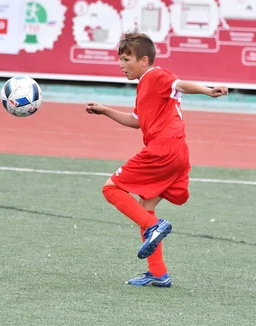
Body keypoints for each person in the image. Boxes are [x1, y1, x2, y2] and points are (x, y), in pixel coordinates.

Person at [85, 31, 228, 287]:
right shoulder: (144, 86)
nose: (121, 64)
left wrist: (207, 90)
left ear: (144, 60)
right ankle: (159, 273)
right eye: (120, 59)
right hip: (178, 152)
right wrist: (105, 111)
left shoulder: (156, 75)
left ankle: (154, 225)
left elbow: (180, 84)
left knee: (110, 188)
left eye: (126, 59)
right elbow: (136, 121)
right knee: (146, 204)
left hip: (163, 150)